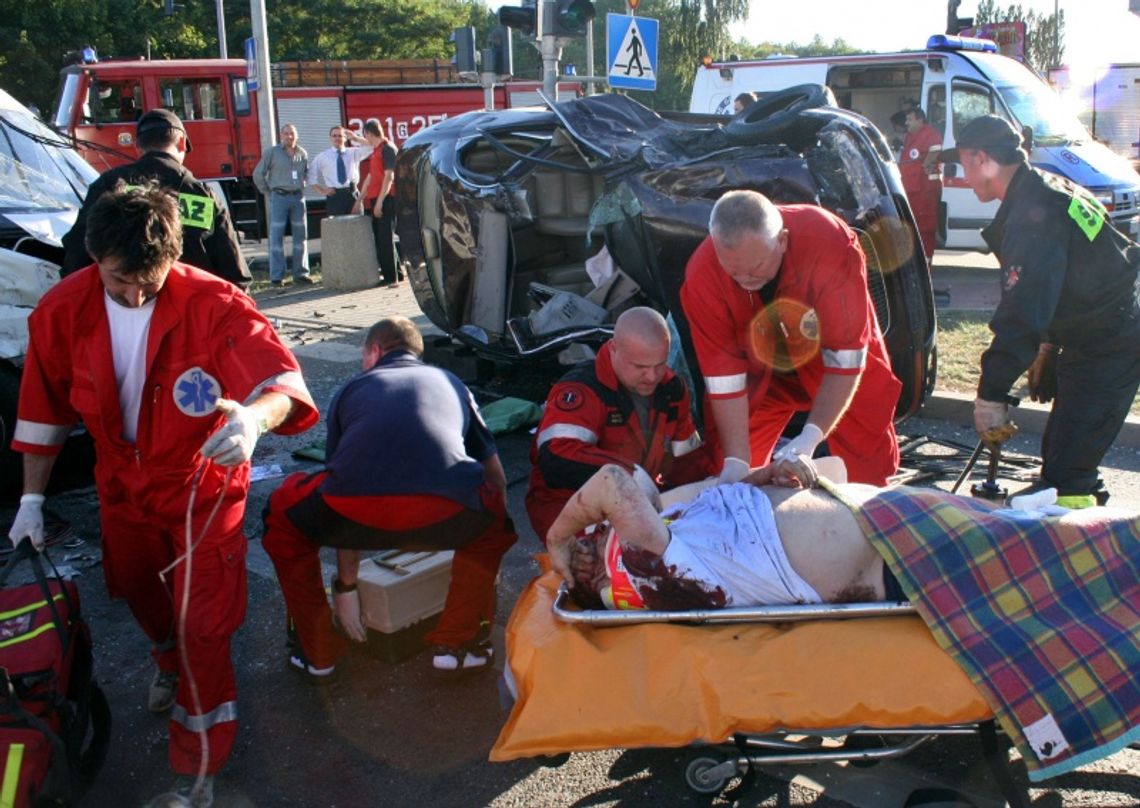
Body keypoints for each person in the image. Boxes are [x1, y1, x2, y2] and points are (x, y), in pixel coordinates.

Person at [7, 183, 319, 807]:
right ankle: (165, 661)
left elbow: (280, 380)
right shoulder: (62, 311)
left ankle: (197, 765)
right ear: (94, 258)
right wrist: (31, 503)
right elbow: (41, 414)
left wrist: (254, 421)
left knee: (203, 623)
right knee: (139, 592)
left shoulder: (215, 302)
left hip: (202, 487)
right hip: (121, 486)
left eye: (150, 280)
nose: (137, 294)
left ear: (173, 259)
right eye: (121, 281)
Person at [260, 317, 517, 680]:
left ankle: (318, 651)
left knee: (283, 513)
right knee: (494, 519)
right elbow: (496, 477)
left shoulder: (352, 390)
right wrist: (490, 544)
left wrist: (346, 587)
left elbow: (342, 484)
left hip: (354, 512)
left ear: (376, 351)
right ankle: (459, 644)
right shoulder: (452, 383)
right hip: (446, 511)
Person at [940, 115, 1140, 508]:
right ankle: (1074, 503)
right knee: (1064, 454)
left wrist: (990, 396)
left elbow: (1022, 314)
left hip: (1113, 338)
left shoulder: (1034, 215)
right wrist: (1048, 347)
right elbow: (1067, 280)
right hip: (1098, 329)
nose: (963, 175)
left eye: (963, 163)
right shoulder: (1045, 190)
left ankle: (1078, 545)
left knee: (1067, 477)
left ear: (981, 158)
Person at [680, 190, 902, 488]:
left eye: (755, 267)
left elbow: (846, 357)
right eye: (732, 271)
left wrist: (809, 438)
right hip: (762, 375)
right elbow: (724, 379)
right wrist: (735, 461)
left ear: (782, 241)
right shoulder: (702, 274)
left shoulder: (827, 240)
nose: (744, 279)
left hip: (833, 364)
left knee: (867, 462)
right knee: (731, 472)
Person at [525, 307, 712, 544]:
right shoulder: (582, 389)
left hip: (638, 500)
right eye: (640, 367)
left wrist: (720, 482)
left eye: (660, 364)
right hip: (568, 504)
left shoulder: (672, 388)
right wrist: (629, 475)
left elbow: (687, 461)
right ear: (613, 349)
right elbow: (556, 458)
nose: (652, 376)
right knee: (598, 567)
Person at [61, 109, 251, 290]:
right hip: (192, 310)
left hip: (122, 308)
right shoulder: (202, 194)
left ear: (138, 147)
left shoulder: (110, 185)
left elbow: (78, 251)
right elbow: (233, 272)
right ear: (182, 143)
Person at [252, 122, 315, 287]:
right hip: (279, 197)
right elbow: (258, 174)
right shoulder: (272, 153)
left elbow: (307, 175)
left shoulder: (303, 154)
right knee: (276, 237)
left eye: (292, 133)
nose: (289, 136)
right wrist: (268, 192)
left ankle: (301, 274)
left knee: (300, 237)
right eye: (286, 133)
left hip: (298, 199)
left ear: (297, 136)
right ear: (281, 136)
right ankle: (277, 277)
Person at [352, 120, 400, 286]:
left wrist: (380, 202)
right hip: (376, 197)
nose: (366, 139)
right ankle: (396, 273)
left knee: (385, 238)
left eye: (365, 135)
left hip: (386, 198)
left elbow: (389, 177)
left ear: (370, 133)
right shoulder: (376, 150)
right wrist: (360, 199)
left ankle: (390, 278)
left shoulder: (387, 149)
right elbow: (371, 176)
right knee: (381, 237)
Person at [898, 106, 943, 263]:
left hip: (925, 192)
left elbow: (935, 151)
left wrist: (926, 165)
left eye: (910, 119)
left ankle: (926, 263)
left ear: (920, 120)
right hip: (911, 191)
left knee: (925, 229)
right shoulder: (910, 137)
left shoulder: (930, 134)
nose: (907, 122)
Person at [307, 125, 373, 217]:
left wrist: (355, 138)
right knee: (337, 228)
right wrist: (322, 191)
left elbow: (372, 146)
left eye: (340, 136)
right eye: (334, 136)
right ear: (330, 138)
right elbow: (310, 176)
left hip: (352, 194)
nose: (337, 138)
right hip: (334, 196)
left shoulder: (353, 152)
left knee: (356, 227)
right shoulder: (322, 157)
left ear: (345, 138)